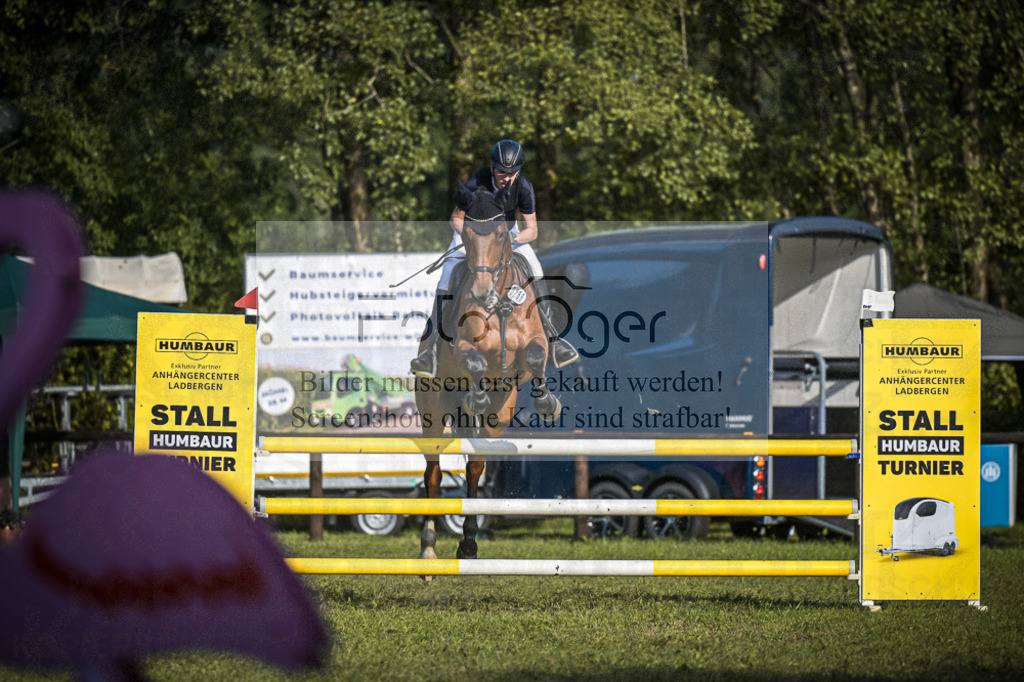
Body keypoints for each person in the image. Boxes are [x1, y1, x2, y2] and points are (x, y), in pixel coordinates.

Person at [410, 139, 579, 378]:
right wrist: (473, 239)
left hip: (506, 237)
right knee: (447, 274)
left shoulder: (523, 187)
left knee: (536, 268)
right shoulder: (477, 182)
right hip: (471, 235)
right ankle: (432, 351)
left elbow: (533, 230)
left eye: (512, 172)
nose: (506, 177)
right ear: (492, 167)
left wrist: (506, 243)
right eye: (502, 171)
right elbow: (456, 219)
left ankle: (553, 340)